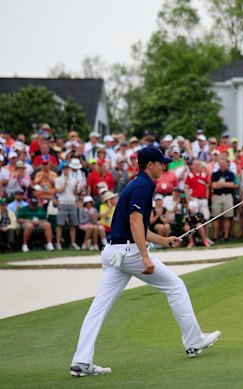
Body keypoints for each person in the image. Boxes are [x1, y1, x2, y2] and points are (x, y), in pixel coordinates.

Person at [70, 147, 221, 377]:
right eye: (162, 163)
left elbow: (141, 227)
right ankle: (194, 340)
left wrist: (164, 240)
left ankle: (81, 361)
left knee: (98, 308)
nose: (165, 166)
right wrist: (145, 256)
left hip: (113, 253)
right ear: (150, 165)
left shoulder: (135, 184)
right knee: (175, 286)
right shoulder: (143, 185)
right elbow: (135, 223)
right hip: (129, 253)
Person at [210, 157, 237, 242]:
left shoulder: (231, 174)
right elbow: (213, 185)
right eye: (220, 163)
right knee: (215, 217)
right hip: (217, 196)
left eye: (223, 163)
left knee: (228, 216)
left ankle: (226, 236)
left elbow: (232, 184)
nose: (222, 165)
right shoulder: (215, 174)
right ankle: (215, 236)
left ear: (226, 164)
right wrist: (226, 184)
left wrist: (220, 183)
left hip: (227, 196)